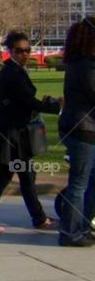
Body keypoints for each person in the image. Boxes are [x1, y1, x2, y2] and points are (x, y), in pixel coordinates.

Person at [0, 31, 61, 232]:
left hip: (14, 133)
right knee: (10, 176)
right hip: (11, 134)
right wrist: (56, 107)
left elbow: (24, 102)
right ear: (10, 51)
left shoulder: (14, 71)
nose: (25, 54)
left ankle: (37, 218)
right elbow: (28, 101)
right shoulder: (13, 73)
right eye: (20, 50)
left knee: (21, 175)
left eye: (27, 50)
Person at [56, 17, 95, 247]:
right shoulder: (86, 66)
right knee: (79, 183)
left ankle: (79, 226)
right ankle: (70, 232)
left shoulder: (81, 63)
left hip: (82, 128)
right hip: (83, 130)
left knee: (86, 181)